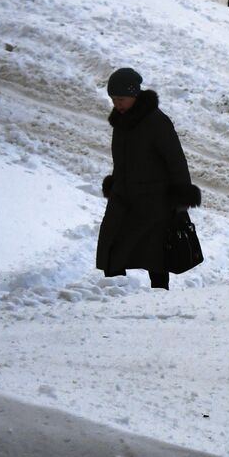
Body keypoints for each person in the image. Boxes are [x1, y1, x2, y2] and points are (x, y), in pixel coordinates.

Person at [95, 67, 201, 290]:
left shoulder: (156, 122)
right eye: (113, 99)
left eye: (121, 99)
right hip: (124, 197)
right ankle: (114, 292)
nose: (117, 104)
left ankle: (159, 296)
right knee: (112, 247)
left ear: (134, 95)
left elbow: (176, 161)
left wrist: (180, 197)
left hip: (154, 201)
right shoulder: (121, 123)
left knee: (156, 253)